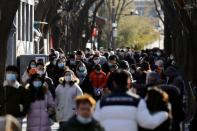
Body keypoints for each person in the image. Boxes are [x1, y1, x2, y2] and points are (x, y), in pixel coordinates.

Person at [94, 70, 169, 131]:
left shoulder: (102, 102)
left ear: (113, 83)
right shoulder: (137, 100)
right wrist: (164, 114)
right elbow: (148, 123)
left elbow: (95, 124)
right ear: (128, 83)